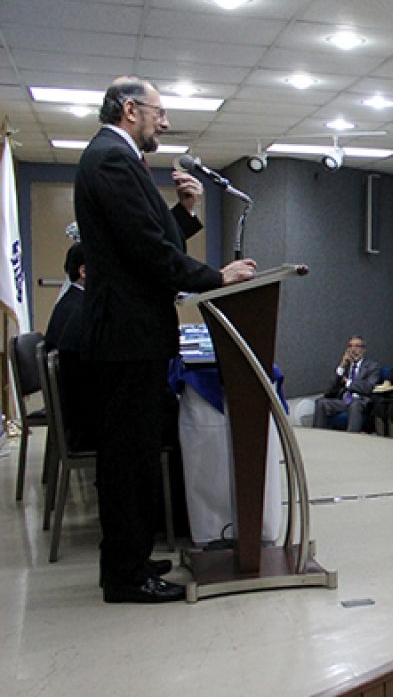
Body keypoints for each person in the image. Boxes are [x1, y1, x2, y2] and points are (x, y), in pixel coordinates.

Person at [76, 76, 257, 603]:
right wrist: (215, 277)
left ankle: (130, 558)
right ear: (130, 109)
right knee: (128, 460)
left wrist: (185, 212)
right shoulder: (111, 159)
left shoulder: (117, 157)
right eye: (159, 112)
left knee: (133, 455)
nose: (166, 122)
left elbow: (149, 238)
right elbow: (147, 253)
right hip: (127, 335)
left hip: (133, 333)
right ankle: (125, 575)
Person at [45, 243, 89, 446]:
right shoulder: (81, 311)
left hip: (72, 412)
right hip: (81, 422)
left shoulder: (71, 302)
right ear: (84, 271)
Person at [313, 335, 383, 433]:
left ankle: (351, 438)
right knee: (321, 402)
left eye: (357, 346)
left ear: (364, 349)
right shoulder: (346, 366)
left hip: (361, 401)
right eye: (350, 346)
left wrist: (348, 383)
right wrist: (341, 366)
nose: (353, 350)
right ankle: (318, 436)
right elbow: (329, 391)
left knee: (354, 405)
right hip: (344, 401)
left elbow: (369, 387)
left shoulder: (372, 366)